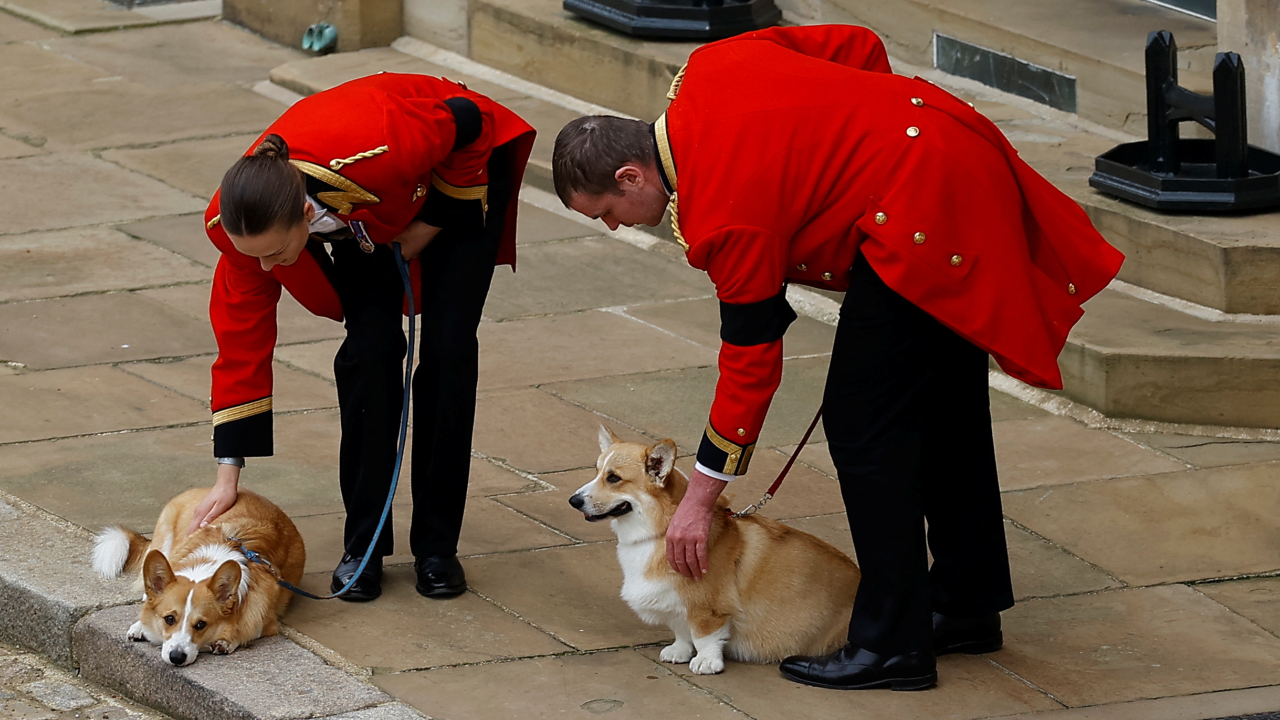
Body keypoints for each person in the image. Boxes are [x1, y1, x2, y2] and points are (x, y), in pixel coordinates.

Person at [551, 25, 1122, 690]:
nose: (618, 226)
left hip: (921, 211)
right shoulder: (708, 66)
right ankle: (965, 606)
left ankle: (892, 643)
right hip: (946, 145)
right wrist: (867, 134)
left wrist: (699, 499)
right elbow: (856, 45)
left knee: (864, 425)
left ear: (631, 174)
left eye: (611, 212)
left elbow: (751, 363)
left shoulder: (723, 214)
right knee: (943, 405)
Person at [197, 73, 535, 602]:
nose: (262, 266)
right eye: (254, 254)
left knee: (447, 350)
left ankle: (437, 548)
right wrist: (227, 475)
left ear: (305, 215)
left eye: (273, 252)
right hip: (367, 217)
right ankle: (365, 547)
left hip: (455, 175)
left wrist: (432, 222)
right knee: (369, 352)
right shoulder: (241, 226)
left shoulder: (382, 144)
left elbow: (472, 121)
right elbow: (240, 343)